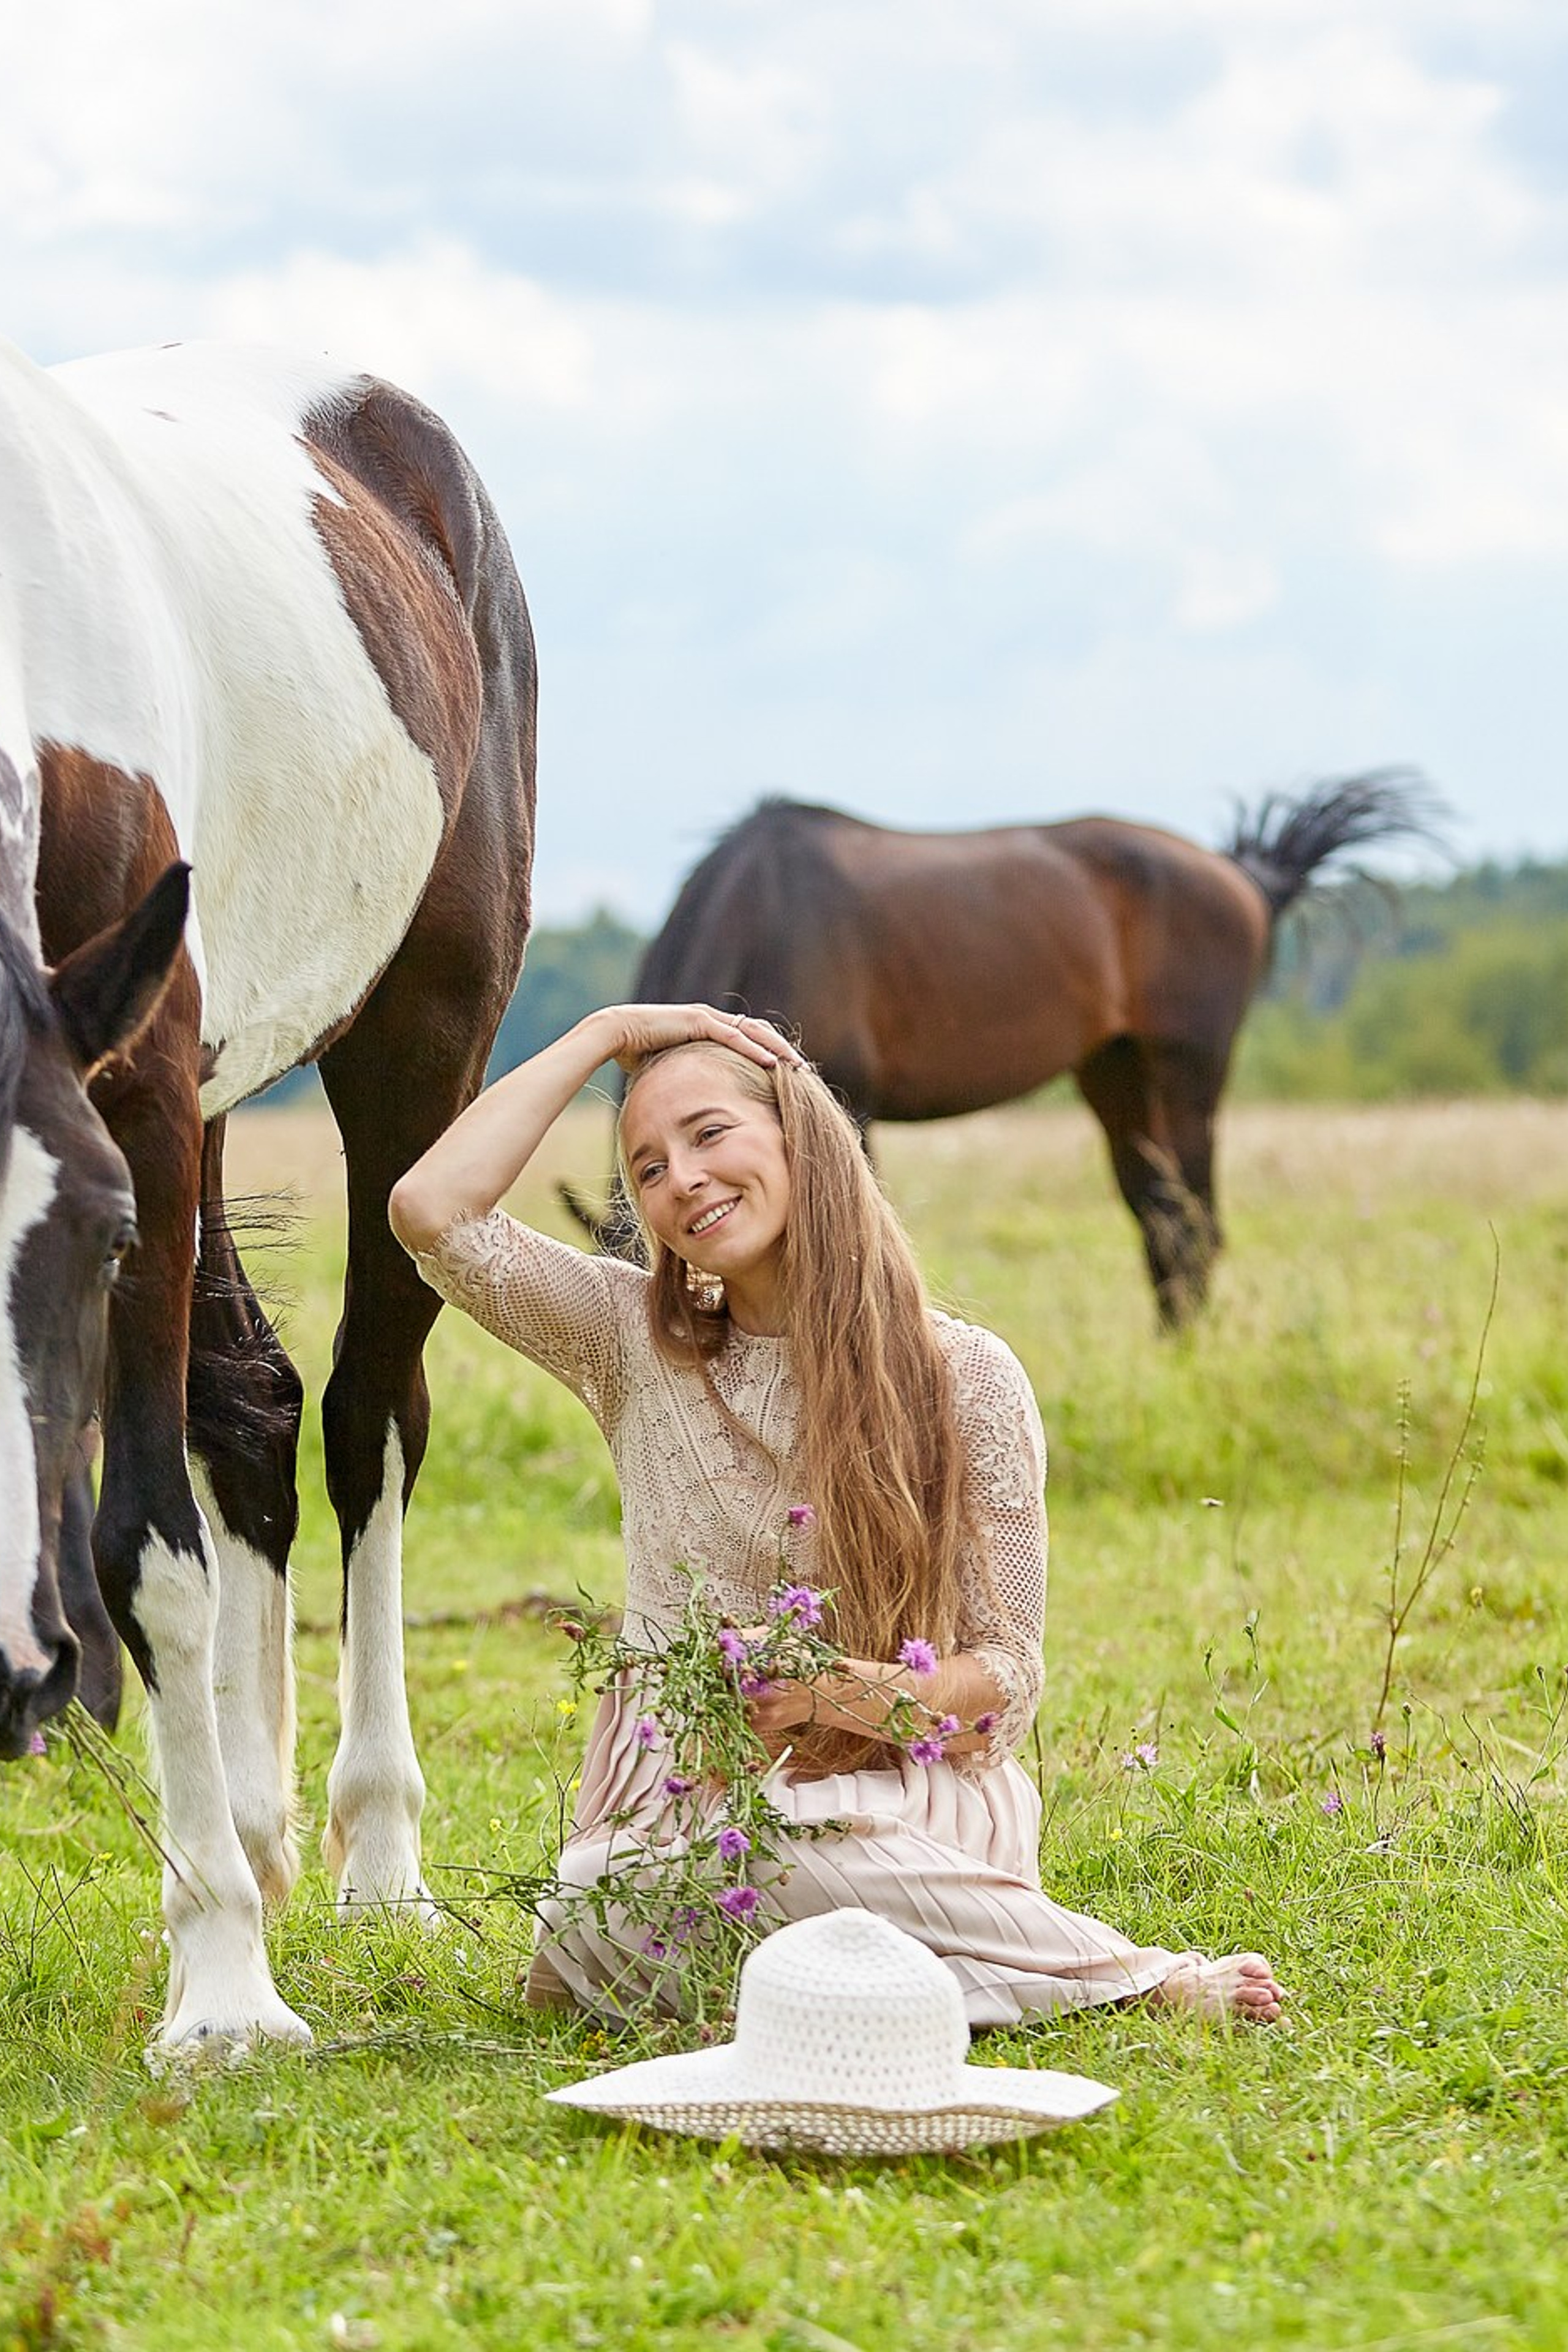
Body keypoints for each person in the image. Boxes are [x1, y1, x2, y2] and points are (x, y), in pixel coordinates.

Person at [388, 1003, 1286, 2029]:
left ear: (798, 1135)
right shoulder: (630, 1346)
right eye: (645, 1168)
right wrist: (605, 1033)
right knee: (601, 1900)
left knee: (795, 1846)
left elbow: (1009, 1678)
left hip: (906, 1794)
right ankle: (931, 1982)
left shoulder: (967, 1376)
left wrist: (841, 1698)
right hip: (690, 1811)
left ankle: (1129, 1979)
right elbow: (430, 1211)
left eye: (710, 1134)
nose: (680, 1178)